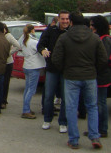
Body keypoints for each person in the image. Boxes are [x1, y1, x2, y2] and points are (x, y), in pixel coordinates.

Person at [52, 12, 107, 149]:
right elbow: (103, 59)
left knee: (71, 108)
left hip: (71, 77)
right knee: (92, 107)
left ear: (71, 22)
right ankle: (95, 136)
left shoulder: (64, 37)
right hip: (90, 76)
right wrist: (94, 70)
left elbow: (56, 59)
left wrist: (64, 70)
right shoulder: (94, 38)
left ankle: (74, 139)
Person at [37, 10, 69, 133]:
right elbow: (40, 44)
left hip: (66, 70)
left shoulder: (71, 32)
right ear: (58, 19)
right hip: (52, 68)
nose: (65, 21)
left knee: (65, 98)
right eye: (63, 19)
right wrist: (42, 50)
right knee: (49, 96)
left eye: (67, 19)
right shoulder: (50, 31)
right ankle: (47, 119)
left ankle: (63, 122)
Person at [82, 15, 111, 138]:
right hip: (100, 75)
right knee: (99, 103)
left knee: (99, 103)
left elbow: (104, 60)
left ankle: (101, 129)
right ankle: (99, 129)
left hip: (101, 76)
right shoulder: (101, 38)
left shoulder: (105, 40)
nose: (91, 27)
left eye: (93, 25)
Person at [20, 24, 46, 119]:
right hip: (34, 67)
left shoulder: (24, 40)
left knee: (27, 89)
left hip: (26, 66)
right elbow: (41, 50)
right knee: (31, 90)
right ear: (32, 31)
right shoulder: (33, 42)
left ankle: (26, 108)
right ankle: (26, 110)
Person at [1, 23, 21, 109]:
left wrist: (9, 53)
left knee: (5, 83)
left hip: (7, 62)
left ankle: (3, 101)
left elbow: (17, 46)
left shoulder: (8, 36)